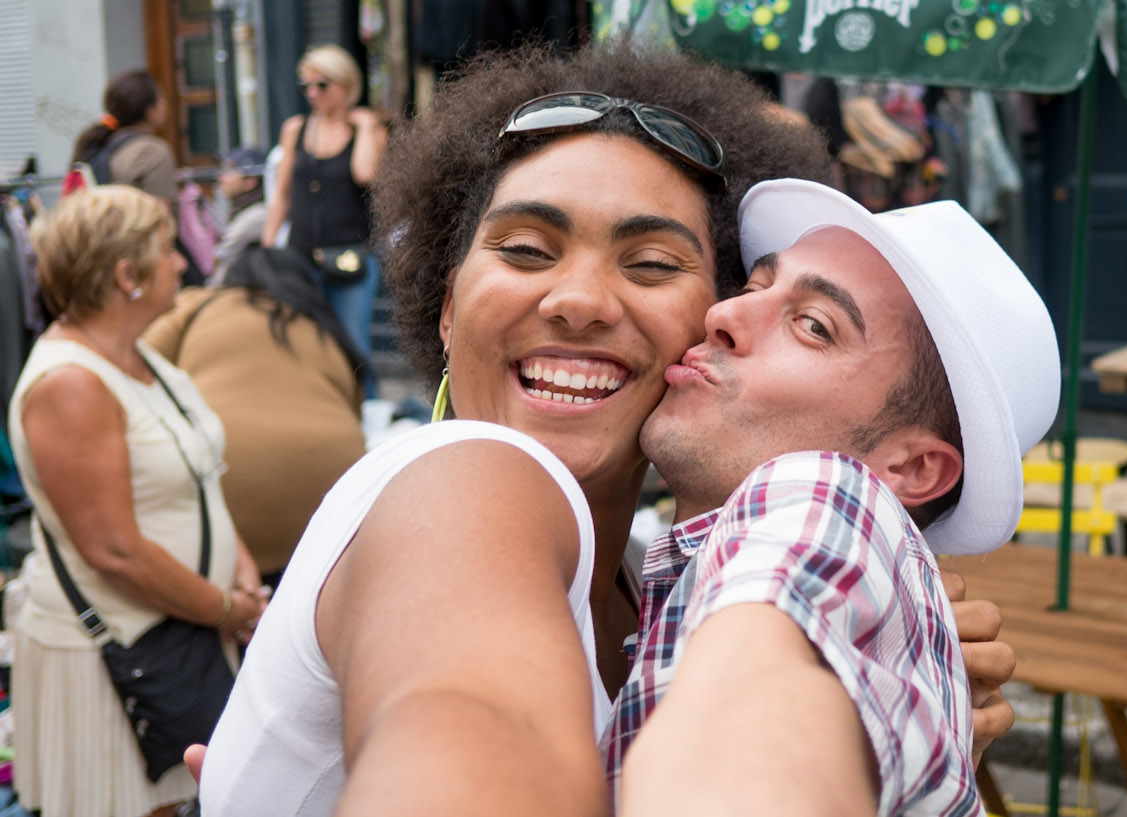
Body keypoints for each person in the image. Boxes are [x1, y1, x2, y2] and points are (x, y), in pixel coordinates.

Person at [198, 44, 1015, 815]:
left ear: (700, 326)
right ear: (446, 311)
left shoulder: (652, 572)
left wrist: (879, 699)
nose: (578, 299)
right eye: (524, 250)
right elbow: (476, 732)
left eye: (653, 264)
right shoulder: (462, 479)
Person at [616, 178, 1057, 813]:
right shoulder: (633, 569)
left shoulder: (828, 489)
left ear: (910, 468)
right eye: (754, 287)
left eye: (814, 327)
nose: (723, 315)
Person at [8, 186, 266, 816]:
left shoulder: (135, 355)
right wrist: (225, 606)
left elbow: (200, 474)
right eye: (168, 250)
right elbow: (113, 550)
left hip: (182, 630)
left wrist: (240, 569)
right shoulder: (71, 383)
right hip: (118, 658)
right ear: (127, 275)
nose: (183, 261)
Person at [143, 245, 367, 588]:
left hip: (228, 484)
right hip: (333, 499)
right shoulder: (322, 325)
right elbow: (355, 404)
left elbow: (137, 363)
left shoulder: (199, 303)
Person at [261, 44, 387, 385]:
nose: (313, 94)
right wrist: (268, 243)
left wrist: (364, 128)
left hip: (350, 254)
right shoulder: (296, 129)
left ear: (345, 85)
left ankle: (365, 415)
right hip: (301, 253)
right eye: (306, 86)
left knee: (351, 342)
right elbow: (283, 192)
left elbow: (365, 174)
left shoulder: (366, 129)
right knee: (303, 341)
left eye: (322, 85)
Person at [69, 70, 177, 210]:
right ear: (150, 111)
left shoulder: (100, 143)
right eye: (161, 97)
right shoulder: (152, 151)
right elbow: (161, 216)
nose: (165, 103)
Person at [211, 146, 270, 282]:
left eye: (229, 171)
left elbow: (220, 256)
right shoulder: (241, 210)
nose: (221, 177)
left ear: (250, 182)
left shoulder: (256, 215)